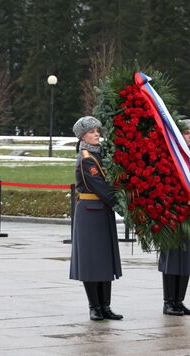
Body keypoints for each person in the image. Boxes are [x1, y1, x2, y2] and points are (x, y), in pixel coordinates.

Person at [70, 116, 123, 321]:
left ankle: (105, 306)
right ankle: (94, 306)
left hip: (103, 211)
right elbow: (100, 187)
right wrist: (121, 206)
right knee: (92, 261)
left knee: (104, 261)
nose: (96, 134)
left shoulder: (101, 155)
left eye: (97, 131)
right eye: (92, 132)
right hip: (91, 211)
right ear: (82, 136)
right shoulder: (86, 159)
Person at [158, 119, 190, 316]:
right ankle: (168, 301)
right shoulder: (170, 157)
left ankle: (179, 301)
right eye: (186, 132)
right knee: (172, 257)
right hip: (173, 211)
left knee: (187, 257)